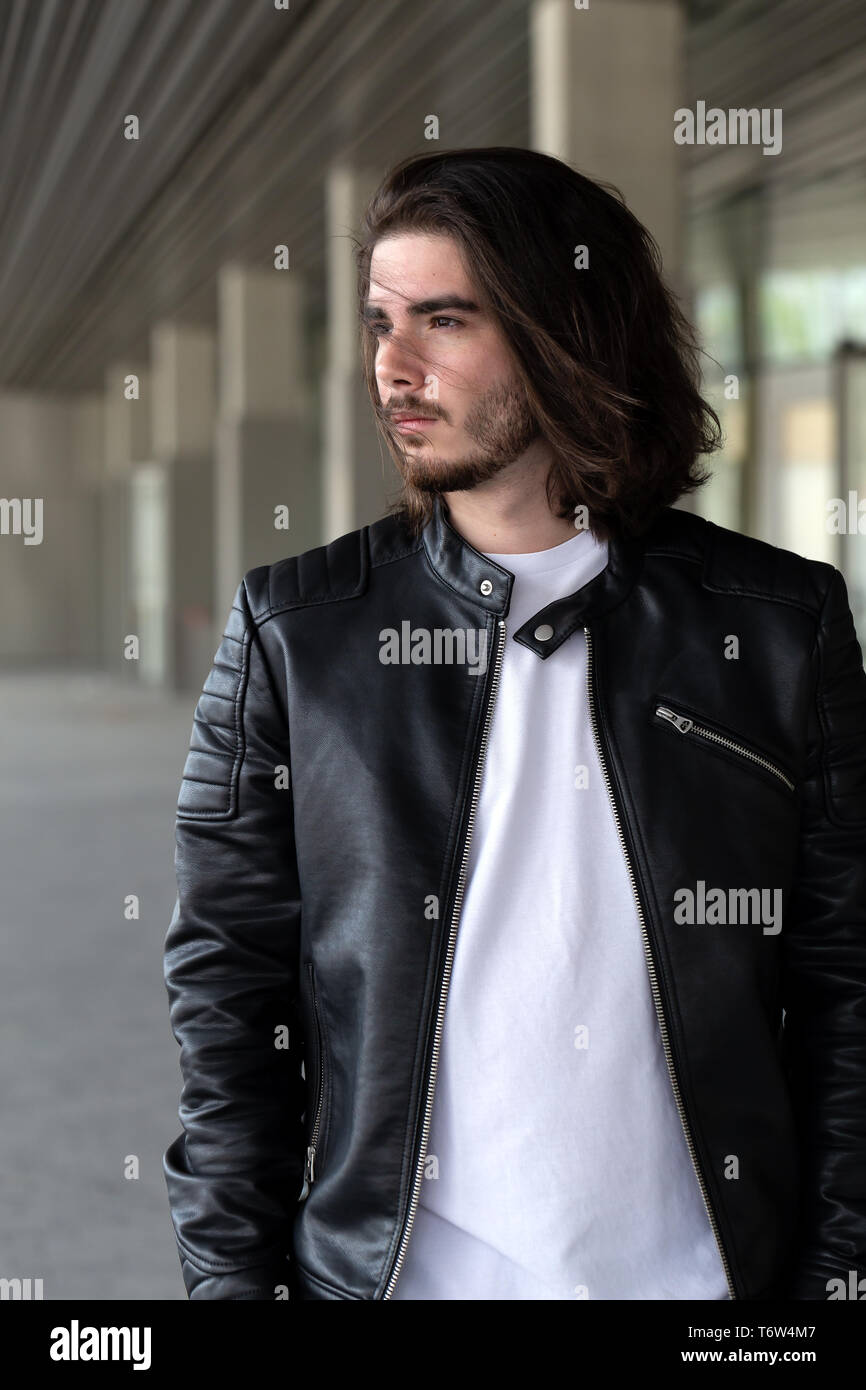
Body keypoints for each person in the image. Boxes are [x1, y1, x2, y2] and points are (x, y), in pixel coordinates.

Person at [162, 147, 866, 1301]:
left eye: (442, 320)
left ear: (563, 333)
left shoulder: (778, 628)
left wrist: (833, 1278)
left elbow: (843, 986)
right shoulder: (297, 632)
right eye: (380, 320)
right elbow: (226, 1001)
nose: (392, 365)